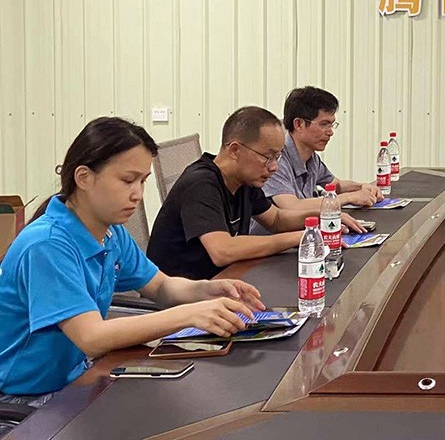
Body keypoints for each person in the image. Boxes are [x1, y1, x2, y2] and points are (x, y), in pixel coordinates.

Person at [0, 118, 264, 398]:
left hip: (76, 377)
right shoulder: (47, 245)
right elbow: (91, 337)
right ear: (83, 177)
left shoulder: (109, 232)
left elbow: (160, 286)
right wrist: (189, 315)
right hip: (25, 398)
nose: (138, 194)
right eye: (128, 180)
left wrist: (205, 291)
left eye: (143, 181)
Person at [147, 106, 311, 280]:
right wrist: (299, 238)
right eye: (267, 157)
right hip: (180, 290)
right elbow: (222, 251)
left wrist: (322, 214)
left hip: (220, 280)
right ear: (235, 150)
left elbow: (276, 219)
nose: (274, 167)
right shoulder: (201, 184)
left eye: (277, 157)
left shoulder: (244, 180)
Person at [250, 86, 381, 236]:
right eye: (324, 124)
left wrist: (362, 187)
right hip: (275, 244)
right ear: (298, 124)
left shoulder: (311, 157)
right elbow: (291, 206)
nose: (330, 132)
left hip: (303, 237)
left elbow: (335, 185)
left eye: (332, 124)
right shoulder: (276, 159)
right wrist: (349, 197)